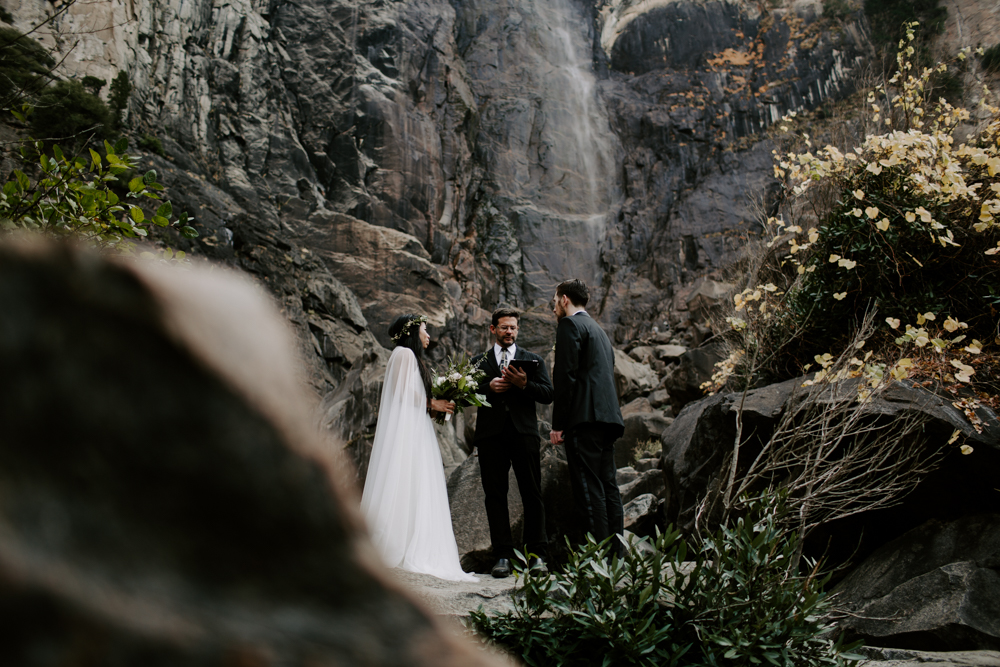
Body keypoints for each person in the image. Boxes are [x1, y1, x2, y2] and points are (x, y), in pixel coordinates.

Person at [360, 314, 478, 582]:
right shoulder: (403, 354)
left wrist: (435, 405)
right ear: (412, 332)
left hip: (414, 427)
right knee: (407, 479)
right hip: (408, 432)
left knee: (415, 482)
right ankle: (397, 544)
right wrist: (432, 404)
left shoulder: (408, 358)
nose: (428, 337)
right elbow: (402, 392)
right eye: (425, 330)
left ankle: (408, 538)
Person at [472, 307, 554, 578]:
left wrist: (524, 384)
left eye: (514, 328)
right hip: (490, 437)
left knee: (532, 494)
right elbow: (465, 394)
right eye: (504, 327)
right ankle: (503, 556)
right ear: (493, 329)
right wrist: (488, 388)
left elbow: (547, 395)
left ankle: (537, 556)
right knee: (495, 496)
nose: (509, 332)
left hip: (525, 434)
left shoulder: (534, 360)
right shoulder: (478, 361)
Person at [548, 279, 626, 559]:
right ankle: (616, 556)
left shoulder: (570, 326)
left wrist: (558, 425)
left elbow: (565, 376)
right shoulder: (599, 331)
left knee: (589, 490)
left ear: (565, 299)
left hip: (584, 419)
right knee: (609, 488)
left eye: (555, 300)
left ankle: (597, 561)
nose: (554, 306)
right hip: (608, 419)